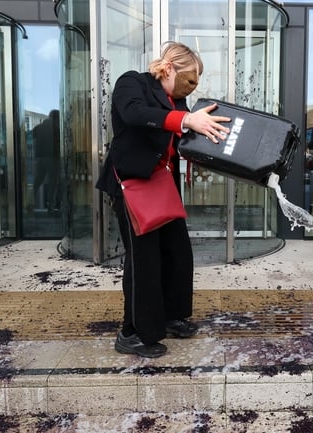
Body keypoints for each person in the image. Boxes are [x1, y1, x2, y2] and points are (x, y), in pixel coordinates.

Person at [95, 42, 231, 358]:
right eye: (190, 80)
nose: (191, 88)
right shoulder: (132, 82)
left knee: (177, 253)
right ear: (169, 68)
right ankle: (132, 333)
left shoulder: (178, 101)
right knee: (143, 261)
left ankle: (169, 316)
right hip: (132, 184)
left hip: (162, 185)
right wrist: (185, 121)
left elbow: (181, 139)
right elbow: (135, 114)